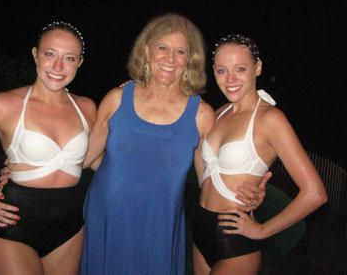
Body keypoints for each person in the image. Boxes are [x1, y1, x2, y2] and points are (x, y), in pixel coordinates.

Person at [79, 14, 270, 275]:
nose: (170, 59)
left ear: (190, 59)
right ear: (147, 51)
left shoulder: (201, 114)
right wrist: (18, 172)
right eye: (162, 48)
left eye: (180, 51)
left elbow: (211, 177)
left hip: (161, 222)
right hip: (108, 214)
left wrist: (250, 192)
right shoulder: (116, 99)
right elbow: (84, 158)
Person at [0, 21, 96, 274]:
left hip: (70, 227)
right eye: (50, 54)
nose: (58, 66)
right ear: (35, 54)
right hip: (15, 227)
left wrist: (132, 93)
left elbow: (94, 158)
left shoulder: (87, 108)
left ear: (79, 63)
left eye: (69, 58)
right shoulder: (4, 105)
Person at [192, 33, 328, 275]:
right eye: (222, 70)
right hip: (200, 226)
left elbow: (315, 193)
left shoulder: (270, 119)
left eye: (240, 69)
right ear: (213, 71)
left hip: (235, 239)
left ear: (257, 68)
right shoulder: (220, 112)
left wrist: (262, 230)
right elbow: (205, 167)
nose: (230, 79)